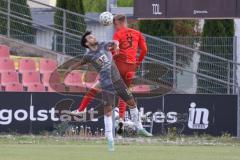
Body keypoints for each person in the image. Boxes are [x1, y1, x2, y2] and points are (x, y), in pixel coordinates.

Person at [69, 31, 151, 151]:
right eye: (90, 37)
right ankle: (110, 141)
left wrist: (116, 45)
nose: (93, 37)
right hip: (106, 84)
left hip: (118, 80)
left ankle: (139, 128)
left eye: (93, 35)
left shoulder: (103, 44)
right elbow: (81, 63)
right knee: (108, 112)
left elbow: (115, 42)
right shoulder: (88, 56)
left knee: (132, 103)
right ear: (87, 43)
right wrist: (69, 69)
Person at [75, 14, 148, 134]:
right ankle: (123, 119)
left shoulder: (117, 34)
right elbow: (144, 50)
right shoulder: (137, 33)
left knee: (97, 89)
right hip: (131, 67)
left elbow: (113, 49)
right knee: (125, 94)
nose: (114, 26)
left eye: (114, 24)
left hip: (117, 67)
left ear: (116, 23)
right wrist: (138, 63)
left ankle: (83, 110)